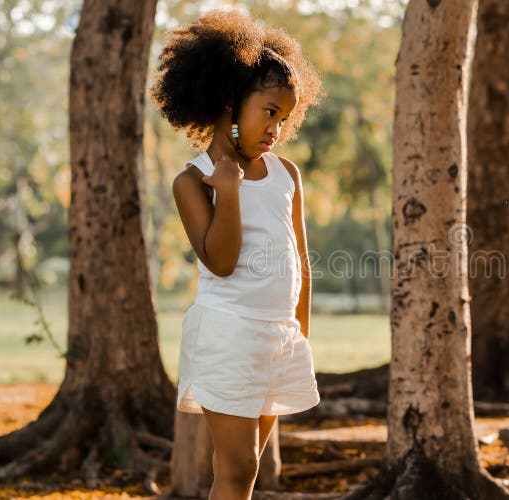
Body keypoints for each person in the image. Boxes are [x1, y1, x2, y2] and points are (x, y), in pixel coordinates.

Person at [149, 10, 323, 499]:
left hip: (278, 337)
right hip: (227, 334)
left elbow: (300, 264)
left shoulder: (286, 173)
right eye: (269, 111)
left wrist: (300, 335)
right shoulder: (193, 181)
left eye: (285, 118)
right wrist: (228, 190)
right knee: (238, 465)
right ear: (228, 102)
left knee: (247, 471)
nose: (277, 129)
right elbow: (220, 261)